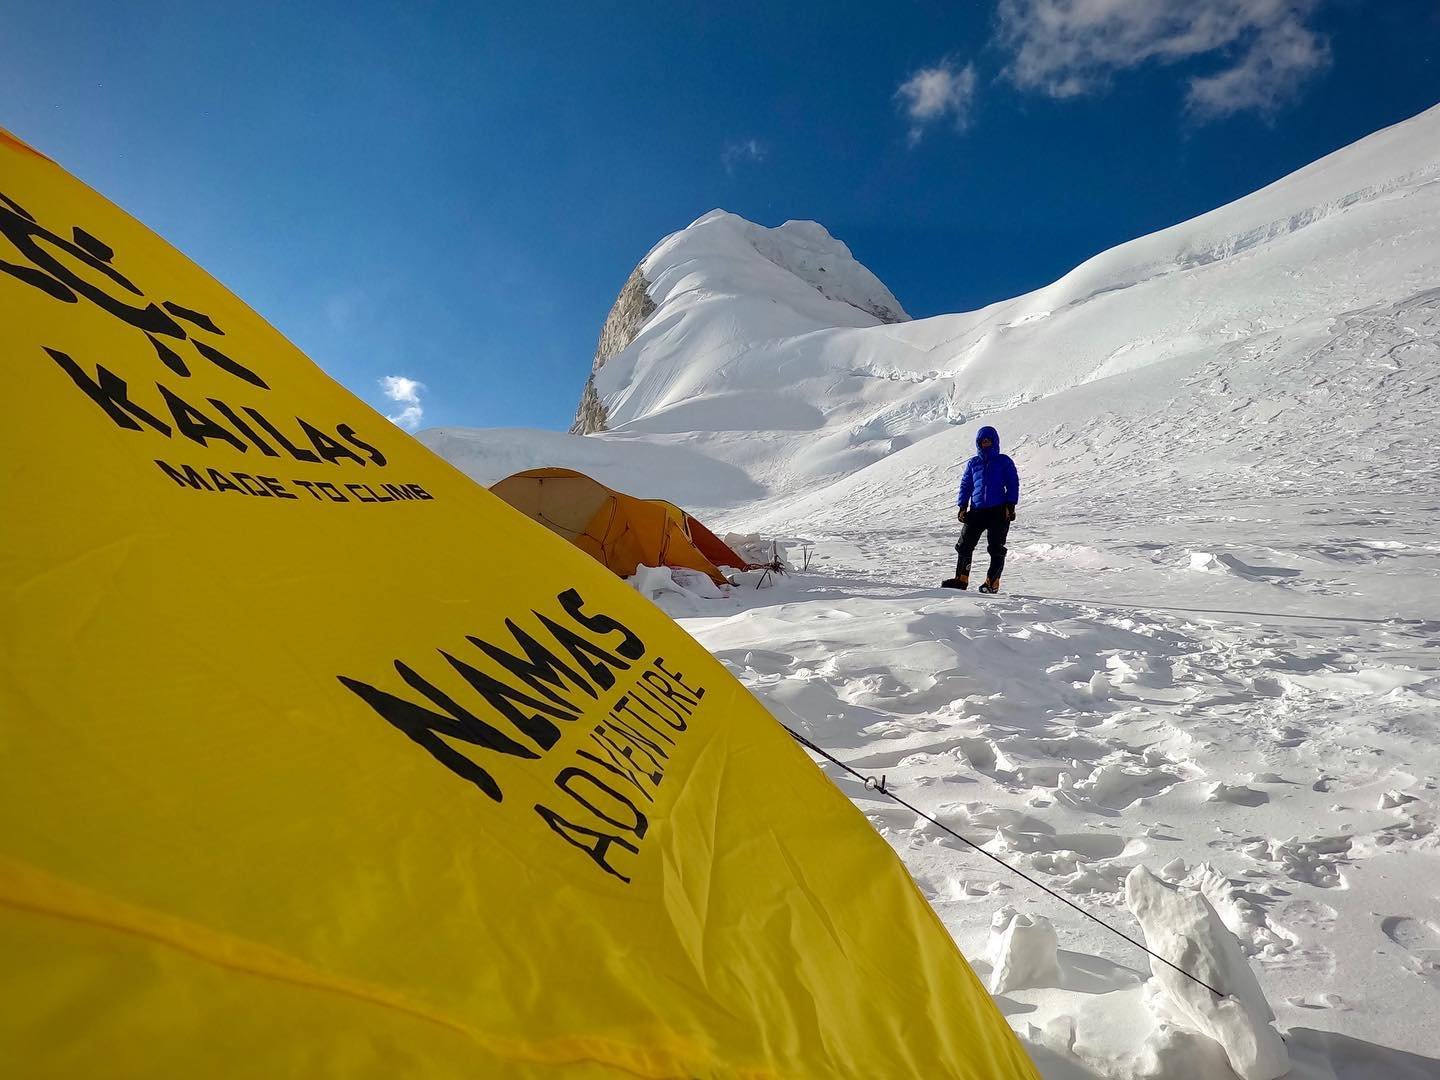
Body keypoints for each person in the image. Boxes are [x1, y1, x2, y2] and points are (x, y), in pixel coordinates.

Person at [943, 425, 1019, 593]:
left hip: (998, 511)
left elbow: (1013, 483)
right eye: (982, 441)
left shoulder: (1003, 461)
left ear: (994, 442)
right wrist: (962, 506)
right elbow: (966, 485)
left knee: (996, 548)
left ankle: (992, 582)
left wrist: (1010, 505)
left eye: (988, 441)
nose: (985, 443)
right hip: (977, 511)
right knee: (964, 546)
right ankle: (961, 579)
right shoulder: (973, 463)